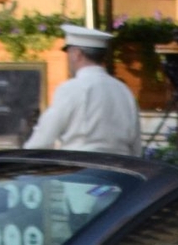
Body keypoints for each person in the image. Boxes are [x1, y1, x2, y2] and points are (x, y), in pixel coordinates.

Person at [26, 24, 142, 156]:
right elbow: (136, 147)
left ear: (77, 54)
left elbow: (42, 140)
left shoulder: (71, 88)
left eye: (69, 53)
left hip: (80, 168)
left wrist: (20, 162)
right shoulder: (124, 91)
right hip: (118, 170)